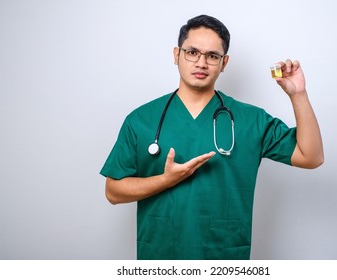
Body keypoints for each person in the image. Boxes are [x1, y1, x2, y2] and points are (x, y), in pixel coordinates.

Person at [100, 14, 324, 260]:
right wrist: (166, 180)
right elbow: (113, 191)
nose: (201, 63)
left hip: (223, 258)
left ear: (224, 62)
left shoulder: (251, 120)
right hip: (161, 256)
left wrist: (298, 94)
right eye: (192, 52)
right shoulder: (141, 120)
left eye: (212, 56)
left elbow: (311, 157)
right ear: (177, 55)